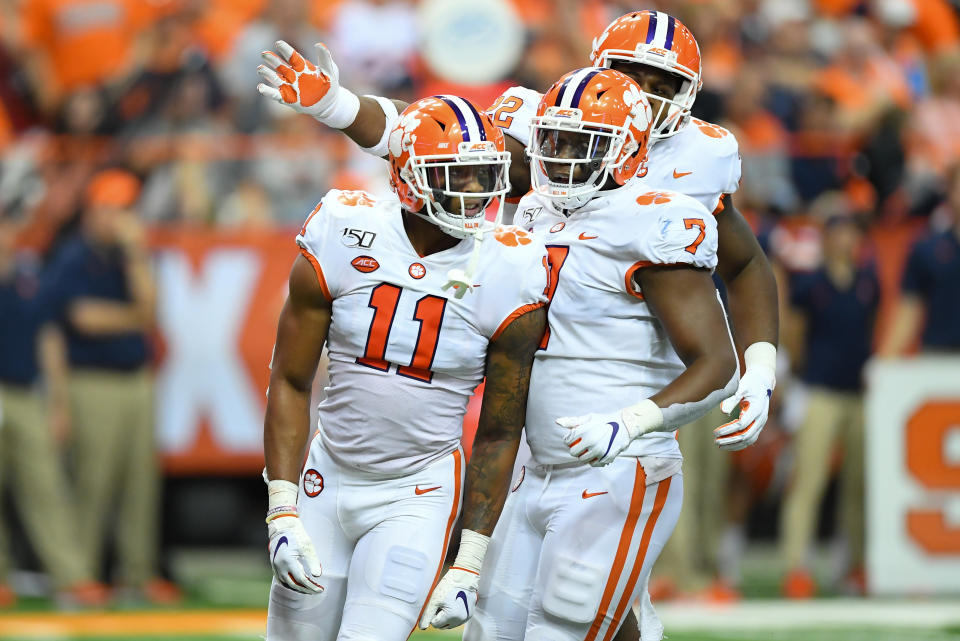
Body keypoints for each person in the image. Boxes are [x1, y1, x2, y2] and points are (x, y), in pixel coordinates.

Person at [256, 9, 779, 457]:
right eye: (631, 75)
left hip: (619, 395)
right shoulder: (552, 125)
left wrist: (760, 367)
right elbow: (431, 136)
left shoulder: (698, 161)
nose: (642, 94)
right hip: (532, 386)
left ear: (689, 95)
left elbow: (746, 263)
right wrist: (338, 106)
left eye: (663, 87)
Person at [412, 68, 737, 641]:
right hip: (535, 468)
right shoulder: (537, 211)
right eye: (553, 140)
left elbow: (716, 365)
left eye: (580, 144)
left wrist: (630, 422)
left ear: (626, 149)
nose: (559, 157)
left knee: (565, 628)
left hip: (617, 468)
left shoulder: (658, 221)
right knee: (488, 632)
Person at [263, 95, 549, 640]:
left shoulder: (510, 265)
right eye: (456, 176)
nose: (475, 192)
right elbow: (291, 379)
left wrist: (468, 561)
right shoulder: (345, 228)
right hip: (326, 475)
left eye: (482, 175)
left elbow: (499, 430)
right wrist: (282, 507)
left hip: (418, 492)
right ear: (410, 178)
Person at [44, 169, 177, 604]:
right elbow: (82, 318)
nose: (121, 219)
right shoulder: (73, 255)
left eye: (126, 210)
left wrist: (136, 256)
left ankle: (137, 573)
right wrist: (133, 318)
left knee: (140, 482)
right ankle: (78, 574)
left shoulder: (130, 255)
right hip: (91, 381)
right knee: (92, 481)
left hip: (135, 379)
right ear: (93, 210)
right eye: (113, 209)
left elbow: (152, 311)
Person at [0, 209, 108, 608]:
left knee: (45, 486)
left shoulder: (30, 278)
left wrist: (58, 402)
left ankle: (71, 575)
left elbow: (49, 338)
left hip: (25, 392)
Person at [780, 208, 880, 598]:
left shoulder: (868, 282)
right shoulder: (812, 284)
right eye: (841, 232)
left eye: (853, 232)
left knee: (859, 484)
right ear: (827, 239)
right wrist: (801, 376)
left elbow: (870, 330)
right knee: (809, 480)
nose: (847, 240)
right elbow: (796, 334)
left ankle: (856, 565)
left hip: (857, 391)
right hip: (819, 390)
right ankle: (796, 567)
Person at [880, 163, 960, 356]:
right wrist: (884, 362)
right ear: (949, 192)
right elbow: (908, 312)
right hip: (940, 359)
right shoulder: (927, 249)